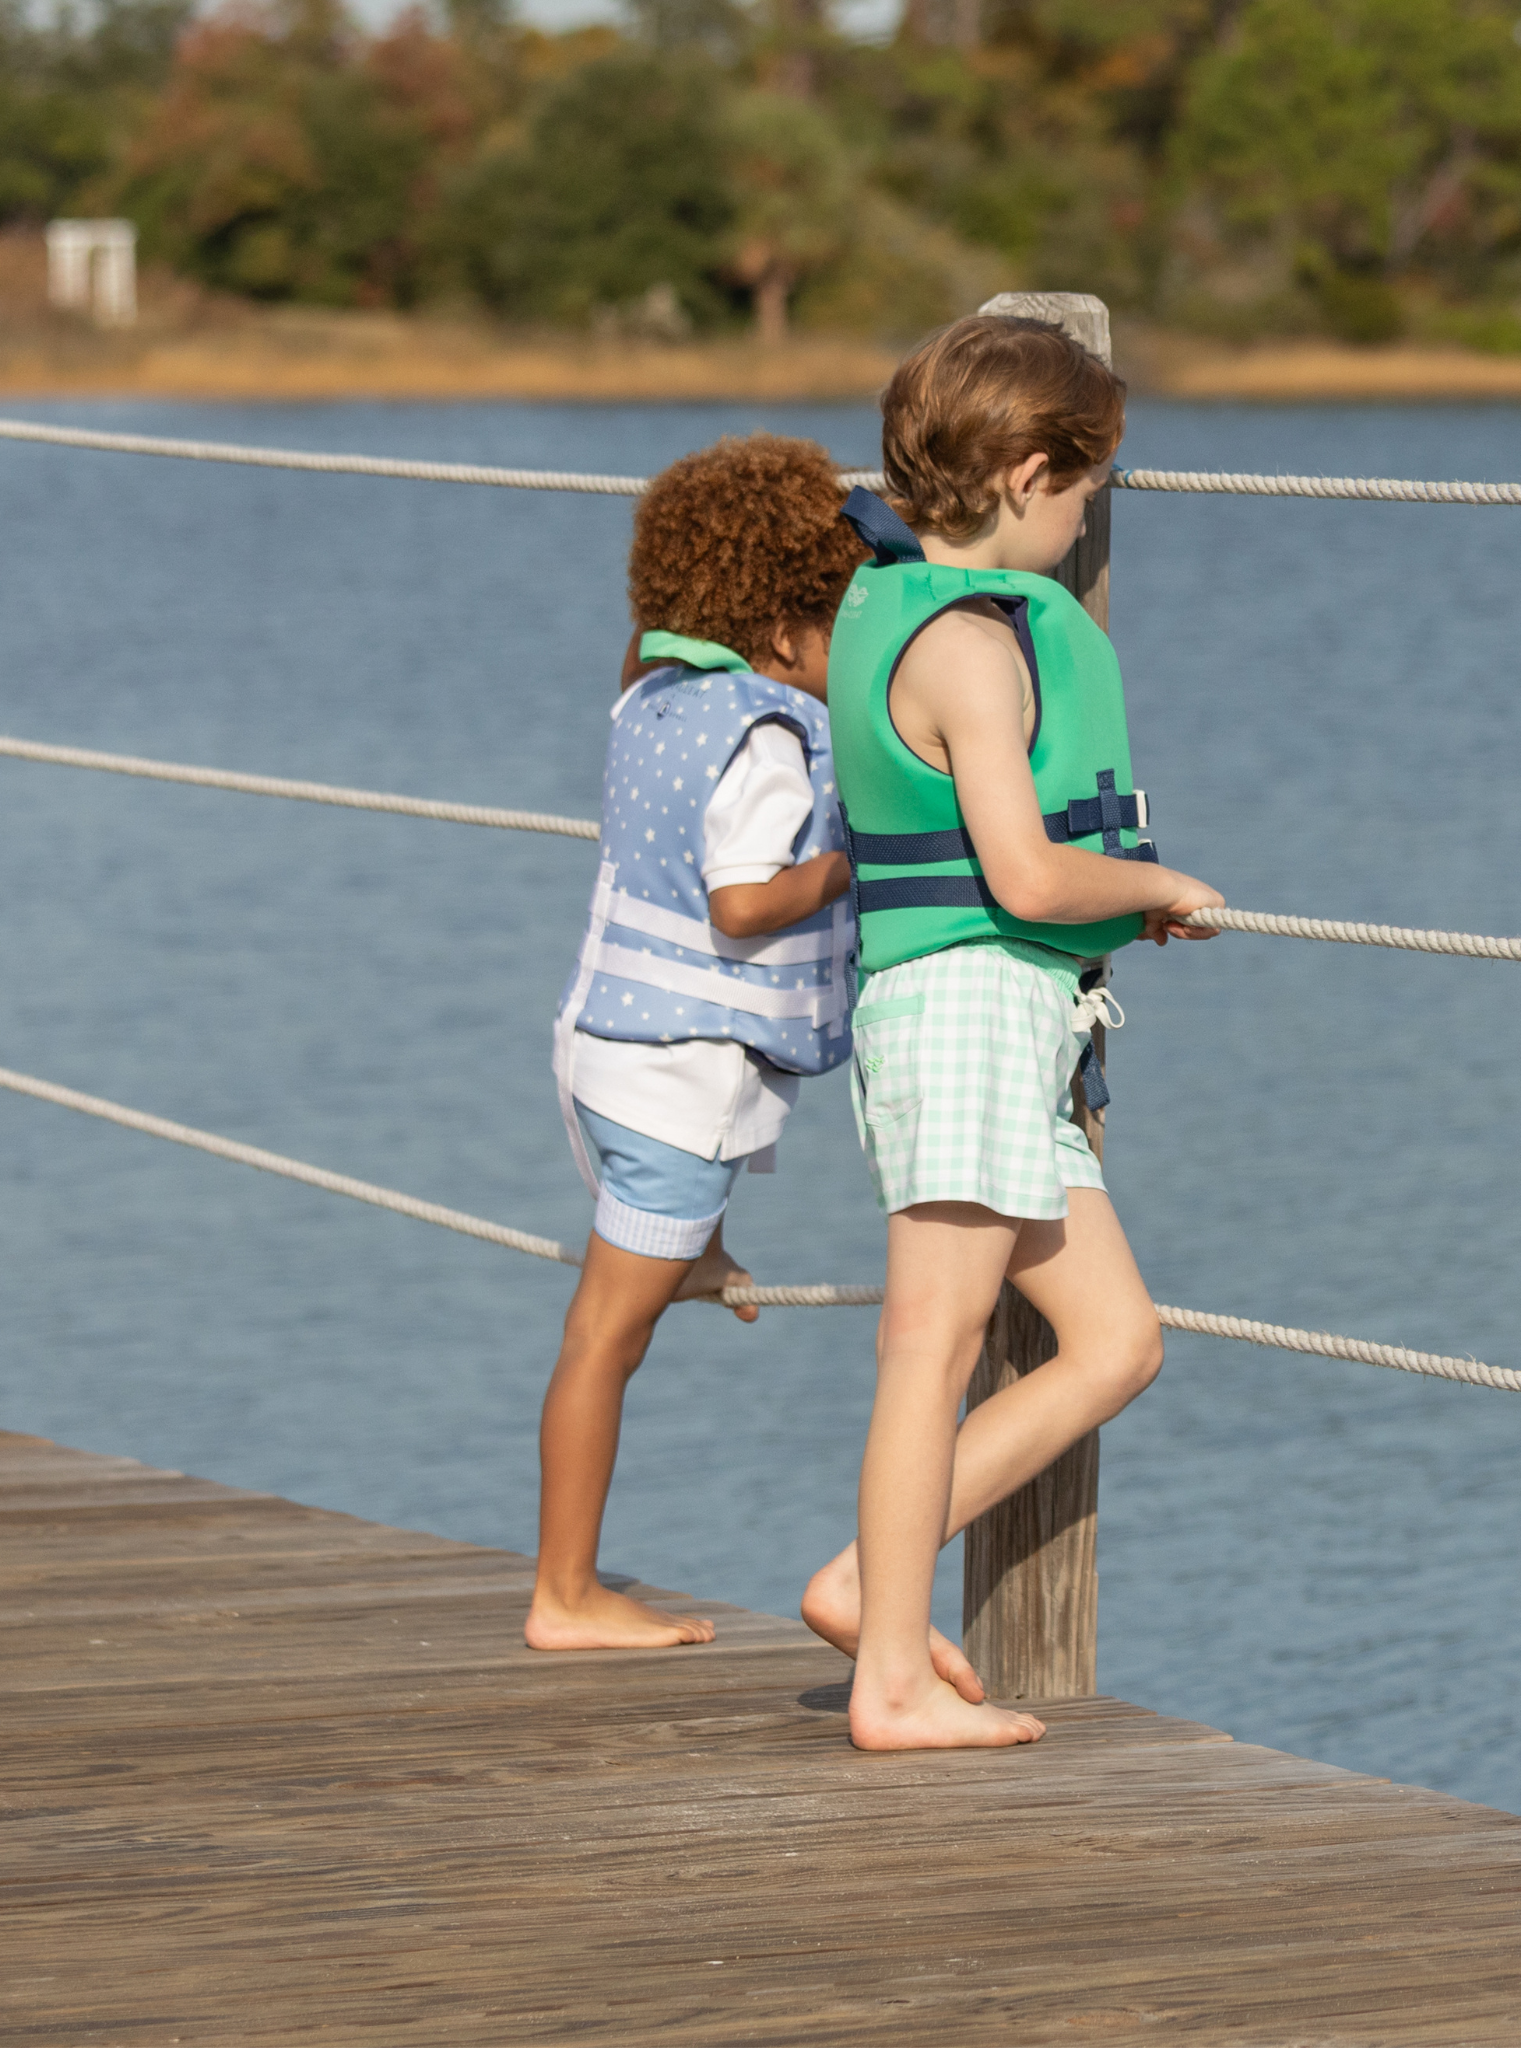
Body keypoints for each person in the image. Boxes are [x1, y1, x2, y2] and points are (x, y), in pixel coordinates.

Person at [799, 315, 1225, 1749]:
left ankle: (873, 1581)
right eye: (1088, 484)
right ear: (1032, 471)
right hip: (972, 1000)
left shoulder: (877, 604)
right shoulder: (972, 650)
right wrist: (1158, 886)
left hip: (1014, 1012)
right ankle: (893, 1685)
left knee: (1115, 1338)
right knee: (931, 1340)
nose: (1088, 511)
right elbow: (1032, 876)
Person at [527, 435, 865, 1652]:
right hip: (677, 1071)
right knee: (602, 1339)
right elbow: (741, 903)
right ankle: (564, 1593)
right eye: (839, 623)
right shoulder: (767, 735)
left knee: (635, 1271)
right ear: (781, 632)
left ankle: (701, 1253)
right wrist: (850, 859)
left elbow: (649, 633)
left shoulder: (651, 693)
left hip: (599, 1047)